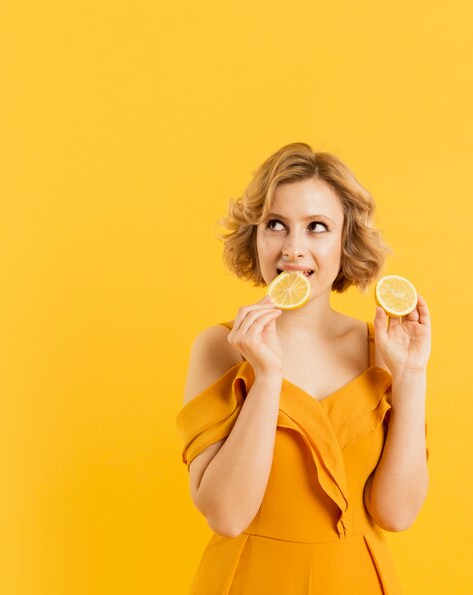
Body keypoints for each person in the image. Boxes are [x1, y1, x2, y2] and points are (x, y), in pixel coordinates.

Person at [175, 142, 431, 594]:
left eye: (317, 227)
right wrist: (267, 376)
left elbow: (396, 514)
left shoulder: (382, 348)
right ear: (255, 237)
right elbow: (228, 515)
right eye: (276, 225)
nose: (294, 248)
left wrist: (410, 378)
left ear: (344, 241)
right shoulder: (219, 348)